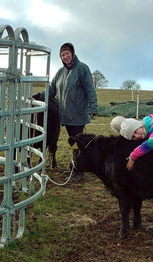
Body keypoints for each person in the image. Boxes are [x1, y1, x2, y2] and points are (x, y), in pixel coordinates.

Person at [48, 42, 99, 182]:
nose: (65, 56)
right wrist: (38, 96)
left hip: (77, 115)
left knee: (76, 143)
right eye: (62, 55)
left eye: (67, 53)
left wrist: (93, 107)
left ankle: (78, 171)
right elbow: (51, 90)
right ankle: (77, 166)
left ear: (73, 53)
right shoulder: (60, 72)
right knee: (73, 143)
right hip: (65, 115)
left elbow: (90, 89)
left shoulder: (82, 69)